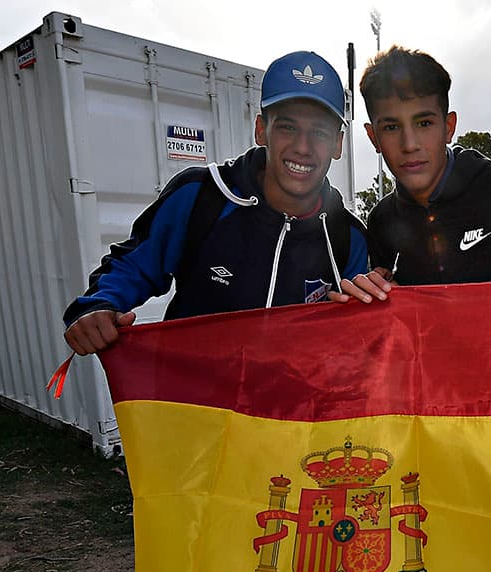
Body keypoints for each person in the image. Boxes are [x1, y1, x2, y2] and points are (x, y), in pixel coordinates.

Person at [63, 51, 369, 354]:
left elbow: (354, 339)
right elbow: (133, 265)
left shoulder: (348, 235)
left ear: (338, 144)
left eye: (319, 132)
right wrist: (99, 306)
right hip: (196, 402)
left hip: (293, 403)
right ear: (261, 130)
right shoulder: (200, 195)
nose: (303, 147)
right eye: (287, 127)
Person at [336, 45, 491, 302]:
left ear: (449, 127)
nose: (410, 144)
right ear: (373, 137)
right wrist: (378, 295)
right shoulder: (381, 220)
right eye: (391, 127)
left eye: (424, 123)